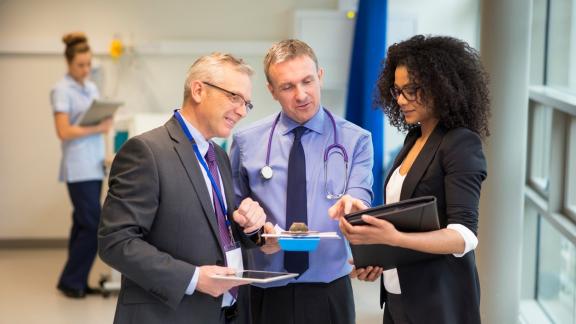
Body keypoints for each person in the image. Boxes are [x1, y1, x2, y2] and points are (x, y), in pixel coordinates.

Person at [329, 35, 490, 324]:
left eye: (412, 90)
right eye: (397, 90)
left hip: (440, 301)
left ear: (442, 86)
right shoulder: (414, 138)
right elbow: (407, 217)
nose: (401, 99)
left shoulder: (461, 143)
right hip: (397, 296)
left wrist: (394, 239)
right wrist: (377, 254)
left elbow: (464, 236)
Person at [98, 52, 266, 324]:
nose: (242, 111)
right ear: (198, 90)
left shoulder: (218, 155)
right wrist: (194, 278)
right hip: (170, 314)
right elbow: (116, 243)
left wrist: (249, 226)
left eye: (247, 103)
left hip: (226, 312)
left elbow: (217, 231)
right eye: (234, 97)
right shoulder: (146, 152)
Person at [230, 39, 374, 324]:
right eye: (287, 86)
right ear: (271, 91)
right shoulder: (246, 142)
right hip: (266, 288)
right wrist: (257, 235)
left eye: (307, 81)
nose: (301, 94)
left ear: (320, 77)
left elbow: (360, 194)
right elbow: (234, 212)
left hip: (329, 288)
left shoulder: (356, 140)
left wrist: (354, 205)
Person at [50, 32, 113, 298]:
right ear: (69, 63)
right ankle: (72, 279)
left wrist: (104, 125)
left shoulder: (91, 88)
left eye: (88, 64)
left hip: (93, 164)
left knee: (81, 225)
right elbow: (63, 131)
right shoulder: (61, 90)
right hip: (77, 169)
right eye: (80, 65)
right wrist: (97, 126)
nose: (86, 69)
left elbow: (93, 124)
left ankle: (73, 281)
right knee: (93, 225)